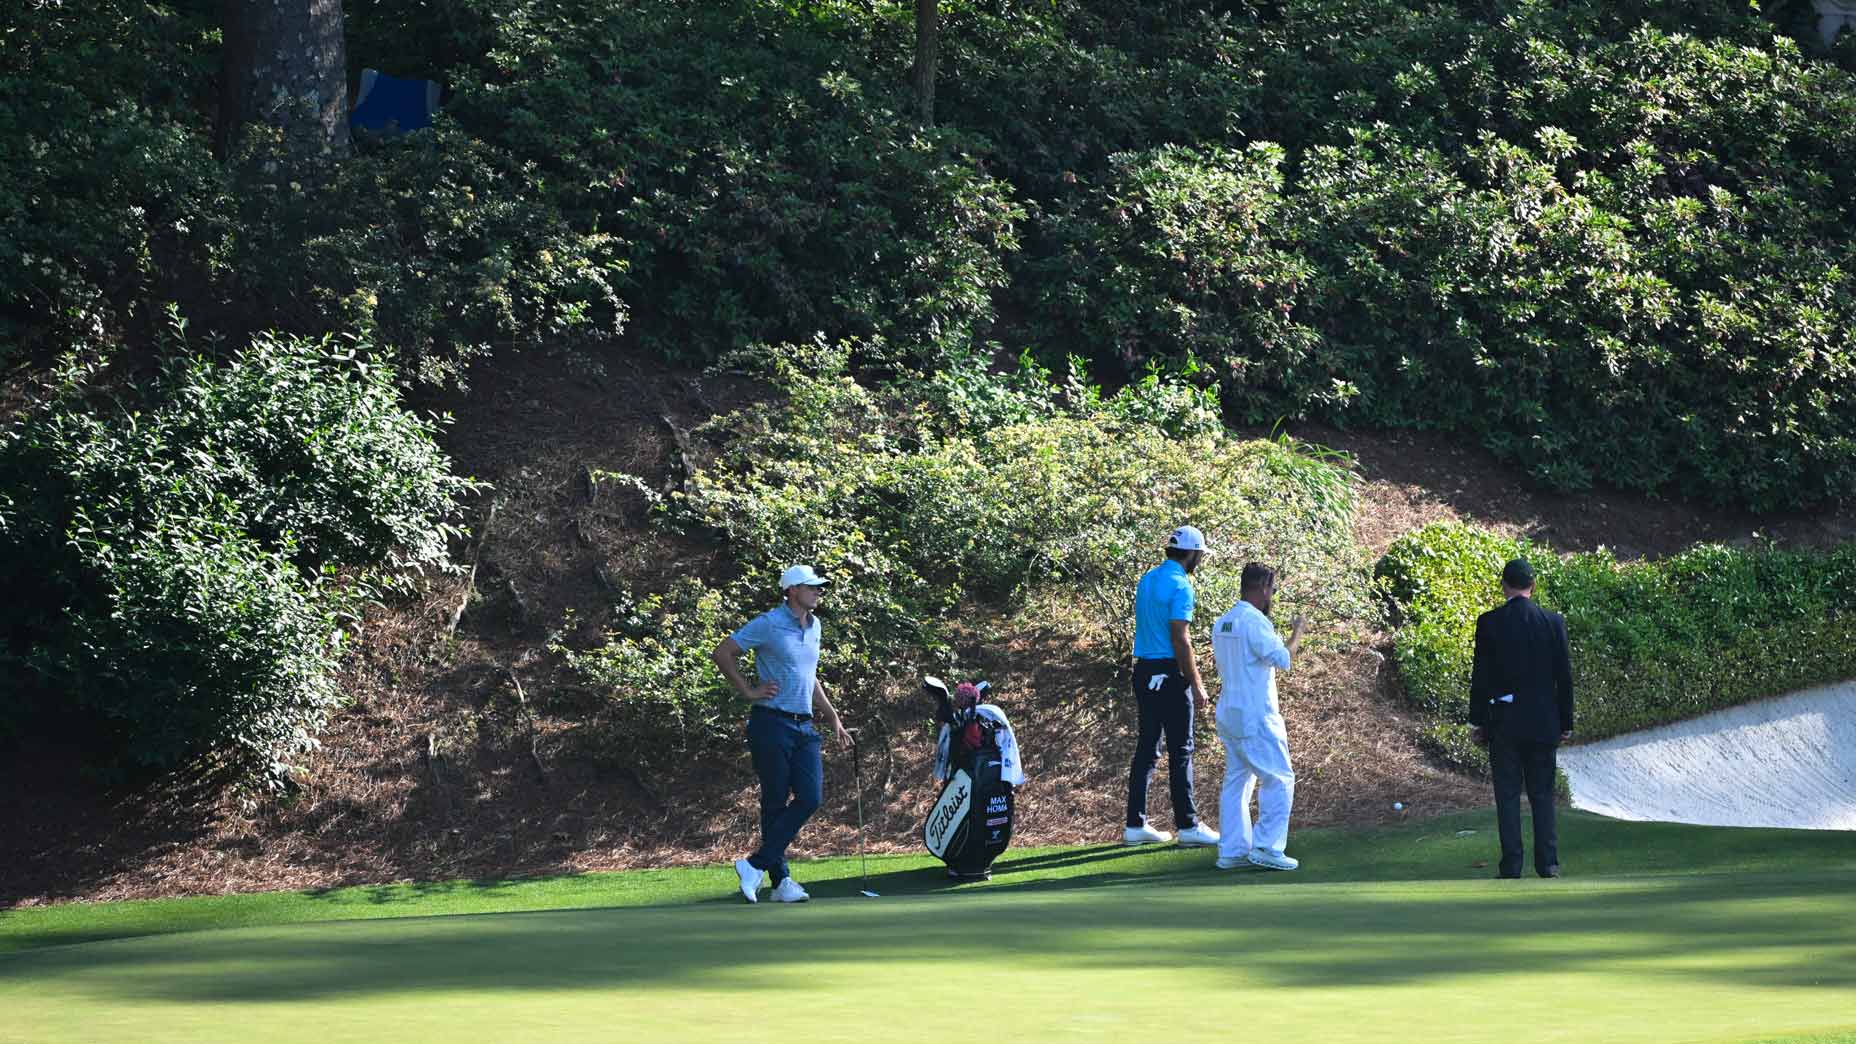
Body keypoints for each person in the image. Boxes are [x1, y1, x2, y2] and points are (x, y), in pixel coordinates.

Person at [713, 564, 852, 903]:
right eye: (811, 586)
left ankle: (754, 865)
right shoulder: (769, 623)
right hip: (771, 722)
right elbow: (723, 652)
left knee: (810, 797)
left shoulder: (815, 625)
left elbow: (809, 676)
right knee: (774, 801)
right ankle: (781, 883)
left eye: (819, 587)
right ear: (791, 590)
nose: (818, 591)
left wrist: (832, 716)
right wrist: (748, 691)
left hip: (804, 725)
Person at [1469, 557, 1574, 879]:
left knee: (1508, 795)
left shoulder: (1489, 622)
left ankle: (1512, 865)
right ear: (1533, 586)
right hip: (1543, 720)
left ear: (1504, 585)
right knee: (1542, 795)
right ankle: (1548, 864)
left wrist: (1478, 721)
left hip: (1504, 721)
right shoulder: (1553, 621)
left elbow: (1481, 677)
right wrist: (1565, 722)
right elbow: (1563, 678)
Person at [1123, 526, 1220, 847]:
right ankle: (1188, 826)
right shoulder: (1181, 585)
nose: (1200, 561)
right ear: (1191, 554)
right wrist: (1197, 683)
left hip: (1143, 671)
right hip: (1167, 673)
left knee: (1147, 748)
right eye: (1200, 555)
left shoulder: (1148, 579)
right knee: (1181, 750)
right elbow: (1180, 638)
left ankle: (1135, 825)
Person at [1210, 562, 1306, 871]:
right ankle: (1267, 846)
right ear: (1264, 588)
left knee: (1237, 781)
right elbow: (1283, 658)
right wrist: (1298, 631)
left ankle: (1232, 850)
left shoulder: (1223, 622)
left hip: (1230, 713)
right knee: (1279, 777)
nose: (1272, 596)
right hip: (1256, 715)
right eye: (1272, 590)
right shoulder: (1255, 622)